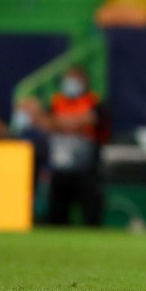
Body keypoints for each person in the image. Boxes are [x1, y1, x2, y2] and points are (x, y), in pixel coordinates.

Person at [45, 66, 108, 226]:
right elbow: (48, 122)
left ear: (85, 81)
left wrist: (62, 122)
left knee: (91, 208)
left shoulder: (93, 101)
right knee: (57, 211)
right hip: (61, 163)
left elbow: (92, 120)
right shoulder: (57, 100)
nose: (71, 83)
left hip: (86, 165)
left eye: (75, 79)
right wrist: (77, 121)